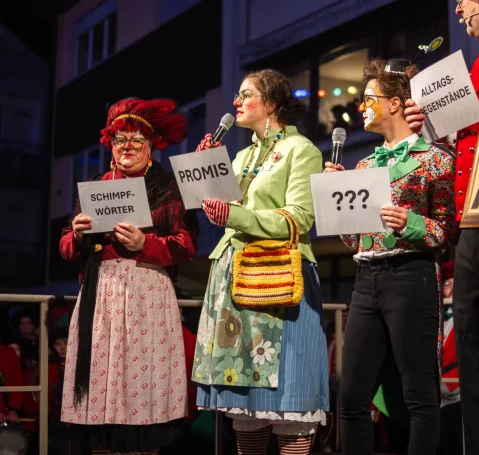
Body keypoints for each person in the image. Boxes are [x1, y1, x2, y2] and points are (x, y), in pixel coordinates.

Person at [193, 69, 329, 455]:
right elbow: (220, 207)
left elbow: (299, 218)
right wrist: (207, 169)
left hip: (278, 278)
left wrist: (235, 215)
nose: (236, 102)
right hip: (234, 276)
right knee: (246, 400)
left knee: (289, 396)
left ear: (270, 104)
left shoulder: (301, 150)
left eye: (245, 94)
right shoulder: (240, 156)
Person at [325, 58, 457, 455]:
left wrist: (410, 223)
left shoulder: (436, 159)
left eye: (369, 99)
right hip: (366, 279)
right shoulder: (365, 164)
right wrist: (336, 198)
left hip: (411, 275)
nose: (362, 107)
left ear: (395, 103)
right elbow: (355, 239)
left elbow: (446, 231)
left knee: (419, 394)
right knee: (351, 395)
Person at [59, 98, 198, 455]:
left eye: (137, 139)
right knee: (99, 392)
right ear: (110, 145)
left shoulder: (168, 187)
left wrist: (145, 243)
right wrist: (76, 236)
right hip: (100, 295)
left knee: (143, 392)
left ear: (151, 145)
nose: (128, 147)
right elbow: (66, 248)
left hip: (146, 293)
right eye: (121, 139)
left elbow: (187, 245)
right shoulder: (96, 185)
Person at [404, 0, 479, 452]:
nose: (459, 10)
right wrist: (429, 125)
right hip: (472, 229)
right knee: (475, 360)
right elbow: (469, 143)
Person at [438, 261, 462, 455]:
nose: (452, 288)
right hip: (437, 396)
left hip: (457, 395)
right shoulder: (436, 319)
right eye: (447, 283)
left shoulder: (466, 317)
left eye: (456, 283)